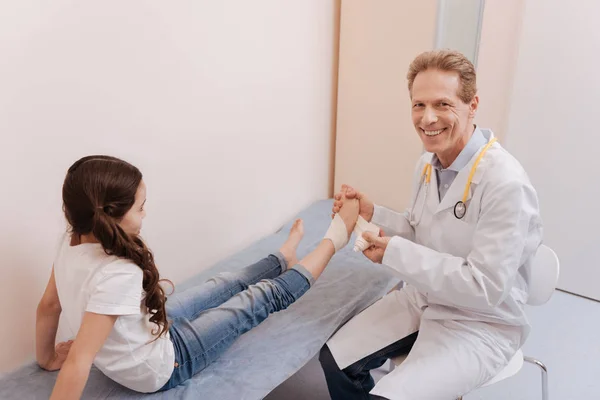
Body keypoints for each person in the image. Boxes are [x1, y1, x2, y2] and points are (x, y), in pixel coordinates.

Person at [35, 155, 360, 399]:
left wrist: (47, 357)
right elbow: (80, 359)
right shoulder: (116, 275)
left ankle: (283, 257)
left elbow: (48, 307)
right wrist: (61, 361)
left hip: (143, 329)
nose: (145, 213)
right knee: (254, 301)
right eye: (140, 207)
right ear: (111, 216)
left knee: (220, 285)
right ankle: (335, 238)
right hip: (161, 365)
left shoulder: (71, 241)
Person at [319, 49, 543, 399]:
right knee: (335, 359)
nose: (428, 118)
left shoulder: (505, 184)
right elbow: (420, 229)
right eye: (418, 105)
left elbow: (485, 288)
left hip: (480, 323)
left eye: (442, 104)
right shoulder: (428, 164)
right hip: (424, 297)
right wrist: (373, 212)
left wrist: (395, 253)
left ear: (473, 105)